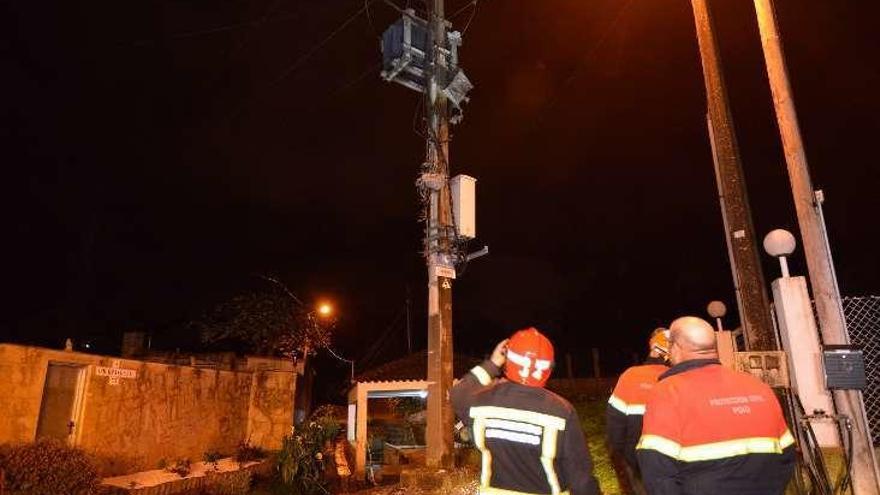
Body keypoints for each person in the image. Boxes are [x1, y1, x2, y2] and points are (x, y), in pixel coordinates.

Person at [636, 316, 795, 495]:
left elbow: (657, 472)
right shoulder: (759, 387)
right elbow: (787, 456)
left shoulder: (667, 392)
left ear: (676, 348)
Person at [451, 327, 600, 495]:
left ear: (508, 361)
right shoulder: (562, 410)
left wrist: (492, 364)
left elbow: (458, 392)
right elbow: (580, 479)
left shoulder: (480, 404)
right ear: (548, 368)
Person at [606, 328, 670, 488]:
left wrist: (619, 459)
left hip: (637, 463)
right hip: (672, 465)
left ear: (652, 347)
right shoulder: (679, 378)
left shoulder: (630, 376)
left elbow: (615, 427)